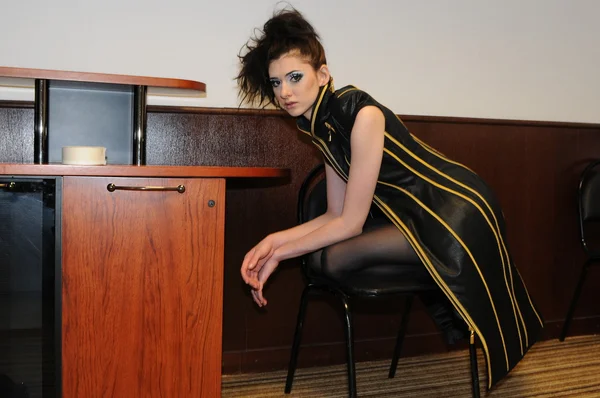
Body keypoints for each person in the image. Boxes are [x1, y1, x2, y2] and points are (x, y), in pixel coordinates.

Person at [236, 7, 543, 388]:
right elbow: (335, 213)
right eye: (276, 82)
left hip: (452, 210)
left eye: (295, 77)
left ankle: (446, 300)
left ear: (324, 75)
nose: (284, 92)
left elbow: (350, 223)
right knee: (326, 258)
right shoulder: (322, 129)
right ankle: (443, 299)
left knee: (333, 256)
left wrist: (281, 253)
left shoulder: (361, 115)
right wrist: (272, 241)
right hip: (409, 216)